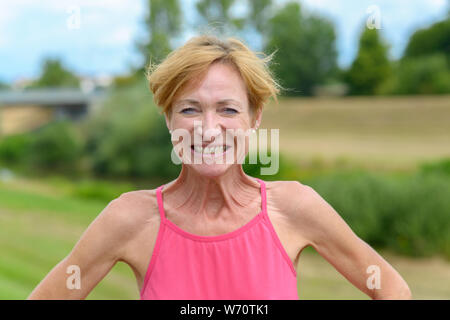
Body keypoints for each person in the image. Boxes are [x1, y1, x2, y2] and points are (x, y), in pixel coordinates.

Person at [28, 35, 412, 300]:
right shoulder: (130, 219)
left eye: (228, 110)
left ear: (254, 117)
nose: (209, 131)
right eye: (190, 110)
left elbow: (391, 287)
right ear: (168, 118)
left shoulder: (294, 208)